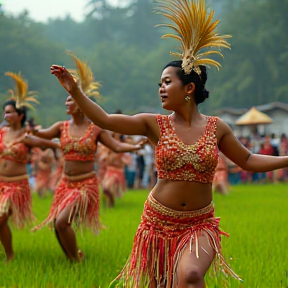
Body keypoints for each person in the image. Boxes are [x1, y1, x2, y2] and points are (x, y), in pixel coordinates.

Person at [50, 0, 288, 286]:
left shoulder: (217, 128)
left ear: (189, 88)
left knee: (189, 275)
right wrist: (75, 90)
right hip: (157, 222)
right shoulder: (154, 124)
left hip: (200, 223)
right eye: (159, 84)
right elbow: (104, 119)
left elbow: (248, 160)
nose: (160, 88)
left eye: (166, 82)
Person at [31, 52, 145, 263]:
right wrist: (32, 130)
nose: (67, 103)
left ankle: (76, 260)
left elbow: (116, 145)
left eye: (70, 99)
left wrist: (135, 147)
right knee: (58, 223)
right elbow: (42, 134)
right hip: (65, 184)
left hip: (85, 186)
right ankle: (73, 259)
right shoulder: (60, 126)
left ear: (81, 104)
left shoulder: (96, 129)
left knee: (61, 222)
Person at [0, 72, 61, 263]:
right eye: (5, 112)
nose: (6, 115)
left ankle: (10, 255)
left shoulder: (27, 136)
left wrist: (63, 147)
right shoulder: (2, 132)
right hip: (0, 183)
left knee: (1, 218)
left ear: (20, 115)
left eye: (9, 112)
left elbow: (50, 143)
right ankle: (8, 253)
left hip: (16, 186)